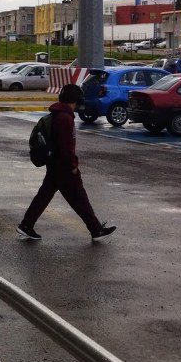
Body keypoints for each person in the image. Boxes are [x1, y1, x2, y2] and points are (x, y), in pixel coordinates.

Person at [16, 83, 116, 243]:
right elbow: (65, 146)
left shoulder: (59, 114)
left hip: (55, 165)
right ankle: (96, 229)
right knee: (80, 199)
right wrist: (73, 166)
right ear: (76, 99)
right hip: (63, 167)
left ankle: (26, 225)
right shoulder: (64, 118)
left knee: (44, 196)